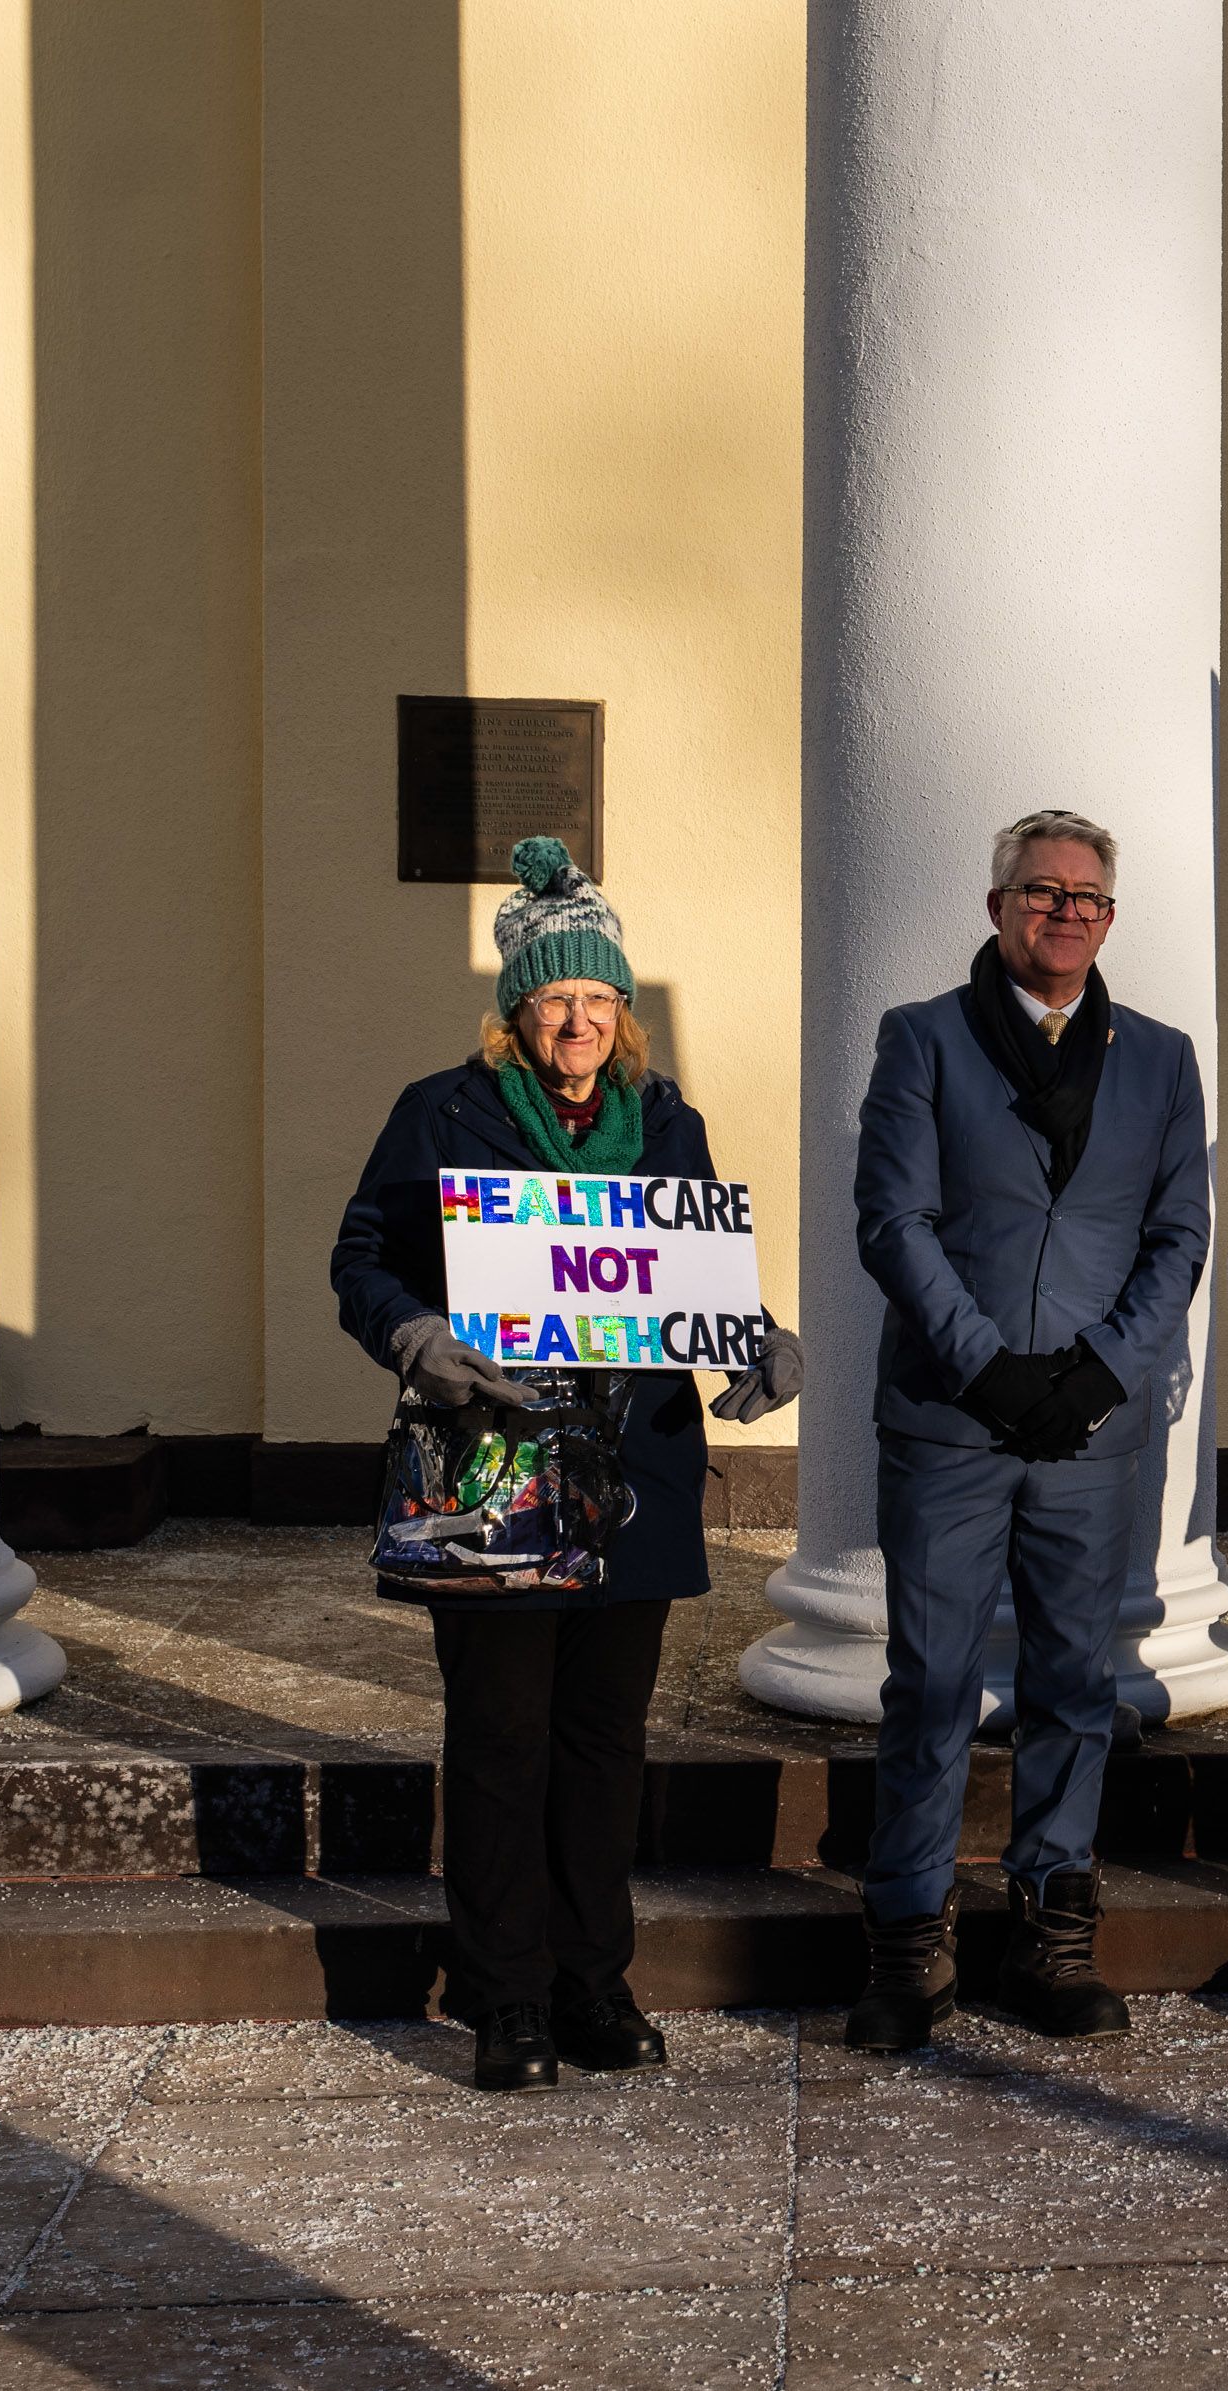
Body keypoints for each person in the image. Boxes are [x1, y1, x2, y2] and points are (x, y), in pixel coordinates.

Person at [332, 838, 804, 2091]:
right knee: (500, 1741)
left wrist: (754, 1338)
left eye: (600, 999)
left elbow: (691, 1282)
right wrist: (414, 1333)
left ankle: (597, 1982)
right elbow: (361, 1261)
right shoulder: (443, 1113)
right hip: (495, 1475)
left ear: (623, 1011)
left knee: (605, 1743)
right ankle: (507, 1998)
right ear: (514, 1014)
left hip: (634, 1475)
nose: (580, 1021)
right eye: (555, 1000)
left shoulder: (670, 1124)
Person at [844, 808, 1211, 2052]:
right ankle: (908, 1940)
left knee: (1072, 1680)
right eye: (1042, 893)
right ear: (998, 907)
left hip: (1090, 1429)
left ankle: (1052, 1927)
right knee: (932, 1682)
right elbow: (893, 1220)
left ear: (1111, 918)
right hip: (953, 1416)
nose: (1065, 913)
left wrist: (1101, 1370)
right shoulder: (922, 1040)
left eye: (1087, 898)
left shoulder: (1160, 1059)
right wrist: (987, 1367)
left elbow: (1177, 1237)